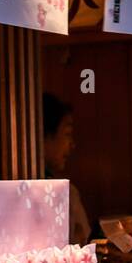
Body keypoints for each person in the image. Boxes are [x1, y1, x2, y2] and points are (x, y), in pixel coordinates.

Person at [43, 93, 94, 246]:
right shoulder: (65, 194)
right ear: (43, 136)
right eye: (67, 134)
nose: (72, 144)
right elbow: (84, 244)